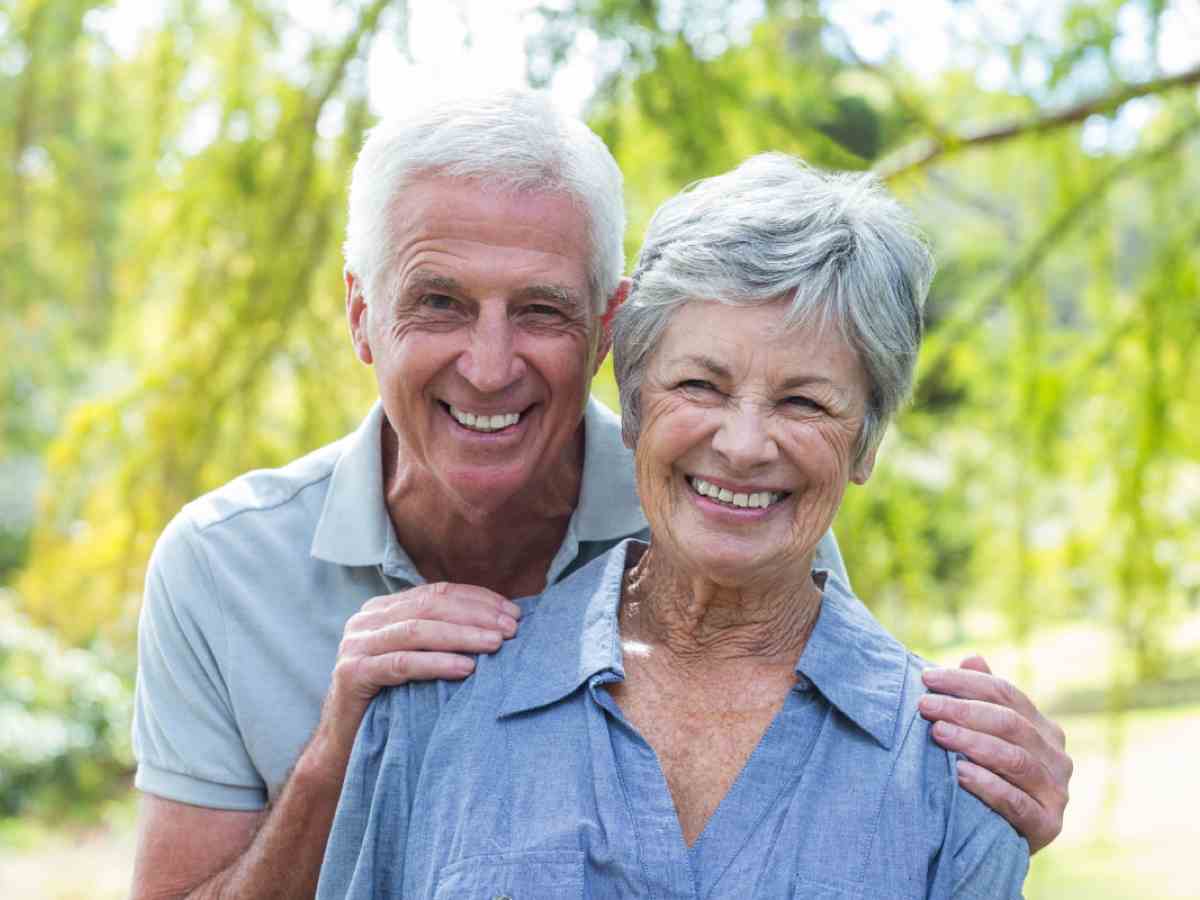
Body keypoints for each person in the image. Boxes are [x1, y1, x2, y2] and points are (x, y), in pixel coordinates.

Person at [131, 91, 1070, 899]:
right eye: (441, 302)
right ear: (361, 315)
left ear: (607, 336)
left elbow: (832, 761)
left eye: (540, 309)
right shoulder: (224, 568)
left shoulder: (740, 517)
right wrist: (339, 750)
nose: (490, 366)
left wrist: (992, 784)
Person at [318, 153, 1028, 899]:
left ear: (866, 443)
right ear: (633, 408)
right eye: (699, 385)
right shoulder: (431, 708)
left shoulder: (959, 772)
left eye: (805, 403)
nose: (745, 444)